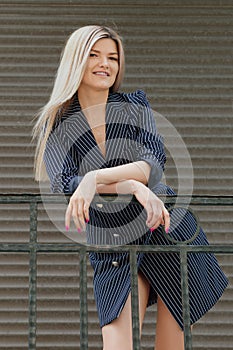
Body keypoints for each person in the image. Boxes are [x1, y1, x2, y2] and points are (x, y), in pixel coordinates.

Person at [33, 25, 228, 350]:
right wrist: (134, 188)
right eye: (94, 55)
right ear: (75, 61)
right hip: (113, 244)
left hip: (166, 228)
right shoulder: (59, 124)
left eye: (112, 57)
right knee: (118, 345)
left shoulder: (135, 104)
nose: (105, 64)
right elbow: (68, 184)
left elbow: (151, 165)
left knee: (171, 345)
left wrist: (97, 179)